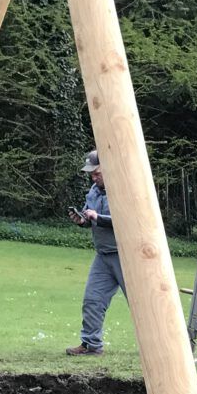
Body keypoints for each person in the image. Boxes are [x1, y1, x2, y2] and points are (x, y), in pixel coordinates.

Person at [66, 149, 121, 356]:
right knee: (92, 300)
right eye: (91, 173)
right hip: (104, 255)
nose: (93, 176)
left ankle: (168, 345)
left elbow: (126, 222)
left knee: (143, 306)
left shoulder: (122, 190)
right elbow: (90, 217)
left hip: (127, 257)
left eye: (97, 172)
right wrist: (82, 220)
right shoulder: (94, 190)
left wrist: (98, 217)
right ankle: (91, 345)